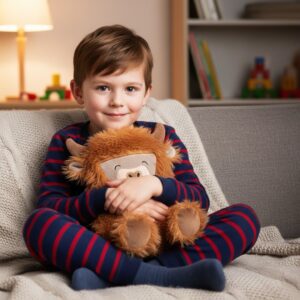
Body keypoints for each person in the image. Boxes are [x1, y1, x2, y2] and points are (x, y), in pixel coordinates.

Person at [22, 25, 260, 292]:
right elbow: (51, 206)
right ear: (78, 92)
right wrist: (107, 200)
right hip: (103, 245)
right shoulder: (66, 142)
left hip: (166, 240)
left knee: (244, 218)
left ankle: (124, 275)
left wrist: (155, 185)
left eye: (131, 89)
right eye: (103, 87)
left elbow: (200, 200)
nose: (117, 101)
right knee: (39, 224)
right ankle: (163, 274)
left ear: (147, 92)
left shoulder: (163, 135)